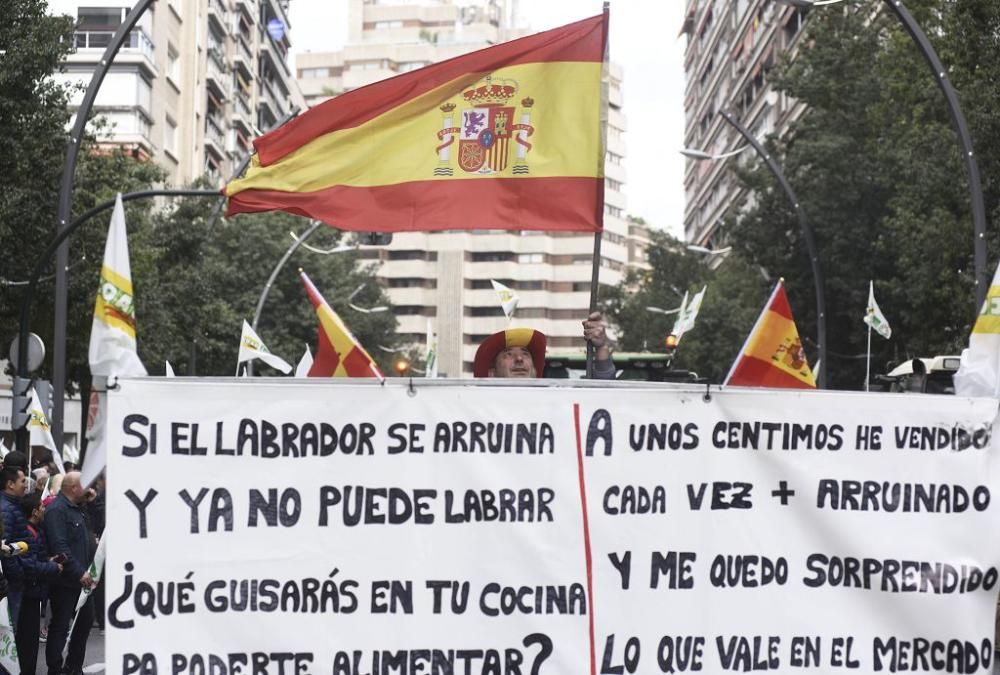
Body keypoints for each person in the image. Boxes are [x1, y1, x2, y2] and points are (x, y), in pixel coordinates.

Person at [43, 472, 97, 675]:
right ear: (73, 488)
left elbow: (93, 532)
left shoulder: (78, 509)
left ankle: (74, 667)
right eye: (85, 484)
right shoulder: (56, 510)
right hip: (66, 581)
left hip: (84, 580)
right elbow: (60, 547)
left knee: (84, 623)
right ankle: (55, 669)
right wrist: (78, 572)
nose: (89, 487)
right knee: (60, 625)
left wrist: (90, 504)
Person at [473, 311, 616, 379]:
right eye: (508, 354)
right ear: (491, 374)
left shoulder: (555, 405)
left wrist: (601, 347)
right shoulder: (475, 412)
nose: (519, 359)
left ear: (535, 372)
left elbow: (601, 397)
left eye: (525, 354)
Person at [17, 492, 61, 675]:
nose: (45, 509)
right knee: (27, 643)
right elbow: (30, 566)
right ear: (35, 512)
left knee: (29, 642)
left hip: (34, 592)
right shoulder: (26, 533)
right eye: (42, 507)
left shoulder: (36, 529)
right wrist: (51, 566)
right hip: (28, 593)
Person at [0, 465, 29, 628]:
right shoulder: (6, 509)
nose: (26, 485)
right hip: (10, 583)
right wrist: (17, 574)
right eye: (23, 481)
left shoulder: (13, 505)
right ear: (11, 484)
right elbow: (4, 549)